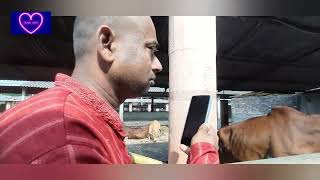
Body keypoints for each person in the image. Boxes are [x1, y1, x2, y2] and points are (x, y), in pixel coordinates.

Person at [0, 16, 219, 164]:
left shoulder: (73, 117)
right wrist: (204, 153)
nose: (158, 65)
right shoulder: (71, 138)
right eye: (150, 49)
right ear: (107, 44)